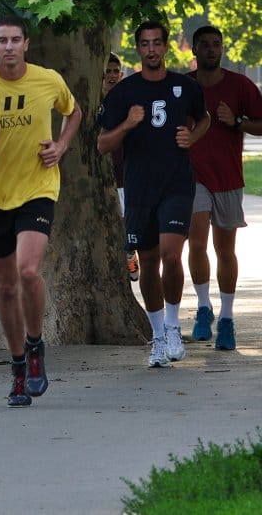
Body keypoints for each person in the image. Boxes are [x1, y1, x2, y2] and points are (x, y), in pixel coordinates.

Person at [0, 16, 82, 407]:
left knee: (28, 271)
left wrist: (60, 146)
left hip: (39, 189)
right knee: (6, 286)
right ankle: (17, 368)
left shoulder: (48, 80)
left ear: (26, 44)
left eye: (15, 40)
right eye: (1, 41)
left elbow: (73, 112)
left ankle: (35, 345)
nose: (8, 46)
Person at [98, 21, 210, 368]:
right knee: (147, 261)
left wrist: (192, 137)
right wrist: (128, 125)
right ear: (139, 48)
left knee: (171, 253)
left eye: (157, 43)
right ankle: (158, 336)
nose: (151, 49)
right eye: (145, 44)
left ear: (165, 48)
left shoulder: (183, 86)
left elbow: (203, 119)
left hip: (176, 183)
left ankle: (175, 326)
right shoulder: (123, 92)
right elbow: (102, 143)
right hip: (139, 188)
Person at [186, 25, 262, 349]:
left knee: (225, 250)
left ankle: (228, 318)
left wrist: (237, 122)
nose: (211, 49)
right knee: (196, 242)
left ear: (222, 49)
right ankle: (204, 309)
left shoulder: (240, 85)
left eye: (216, 44)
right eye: (205, 44)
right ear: (194, 50)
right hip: (193, 176)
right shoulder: (184, 86)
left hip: (229, 178)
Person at [103, 53, 139, 282]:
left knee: (126, 219)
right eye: (108, 71)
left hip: (123, 174)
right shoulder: (92, 104)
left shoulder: (128, 103)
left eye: (116, 71)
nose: (112, 75)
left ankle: (129, 251)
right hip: (100, 175)